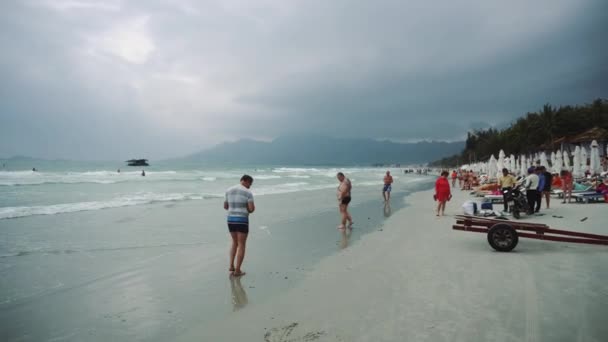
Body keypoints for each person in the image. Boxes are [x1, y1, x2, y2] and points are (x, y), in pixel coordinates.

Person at [224, 175, 255, 277]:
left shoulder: (228, 190)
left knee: (234, 242)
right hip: (242, 220)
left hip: (230, 220)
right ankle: (237, 270)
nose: (250, 186)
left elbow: (225, 206)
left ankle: (231, 266)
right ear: (245, 181)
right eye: (250, 183)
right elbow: (251, 209)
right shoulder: (248, 192)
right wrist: (247, 207)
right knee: (241, 244)